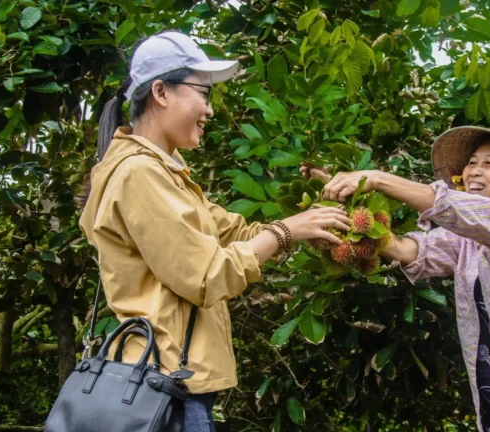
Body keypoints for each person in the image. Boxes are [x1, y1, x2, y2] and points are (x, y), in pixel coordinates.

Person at [79, 32, 351, 431]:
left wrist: (314, 212)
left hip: (174, 385)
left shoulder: (166, 174)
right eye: (203, 94)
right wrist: (286, 230)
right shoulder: (139, 174)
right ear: (161, 92)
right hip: (165, 388)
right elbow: (204, 276)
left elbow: (238, 233)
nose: (209, 110)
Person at [308, 126, 490, 432]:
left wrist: (374, 178)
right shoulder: (471, 241)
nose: (474, 171)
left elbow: (455, 209)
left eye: (489, 163)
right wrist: (345, 211)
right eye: (472, 162)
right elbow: (410, 250)